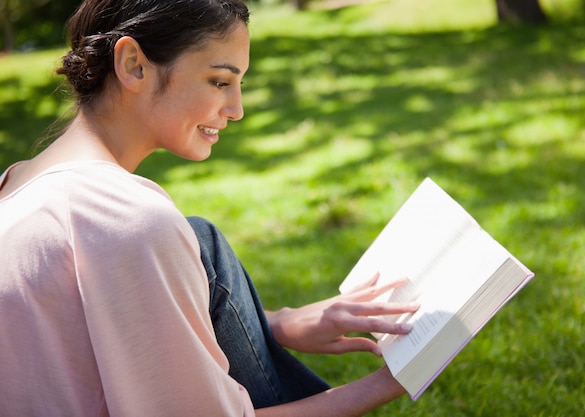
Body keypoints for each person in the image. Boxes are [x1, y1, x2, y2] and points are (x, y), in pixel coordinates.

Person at [0, 0, 420, 416]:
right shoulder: (127, 219)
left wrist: (279, 323)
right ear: (134, 65)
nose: (236, 110)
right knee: (198, 239)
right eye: (220, 81)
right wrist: (397, 378)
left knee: (201, 241)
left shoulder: (19, 182)